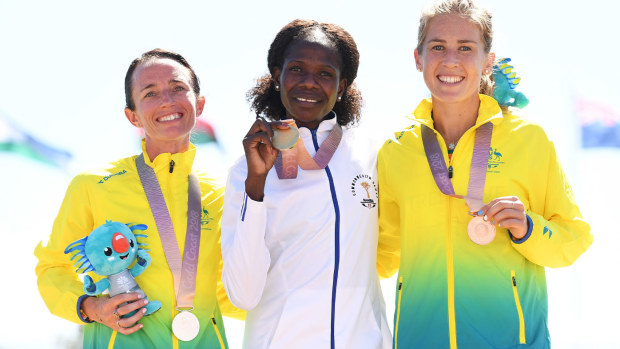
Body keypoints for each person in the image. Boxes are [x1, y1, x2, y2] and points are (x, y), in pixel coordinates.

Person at [377, 1, 593, 348]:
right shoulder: (395, 150)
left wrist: (528, 229)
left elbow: (574, 239)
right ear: (418, 58)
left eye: (466, 48)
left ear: (487, 61)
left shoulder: (529, 139)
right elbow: (381, 255)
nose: (450, 60)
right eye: (437, 47)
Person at [34, 49, 242, 348]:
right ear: (132, 116)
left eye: (178, 88)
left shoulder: (225, 192)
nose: (167, 100)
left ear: (200, 103)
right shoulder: (93, 185)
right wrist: (91, 308)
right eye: (150, 93)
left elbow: (230, 289)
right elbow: (52, 267)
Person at [221, 19, 391, 349]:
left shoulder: (370, 154)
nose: (310, 83)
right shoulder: (245, 169)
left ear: (342, 85)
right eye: (297, 69)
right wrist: (256, 186)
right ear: (276, 75)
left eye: (325, 73)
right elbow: (242, 294)